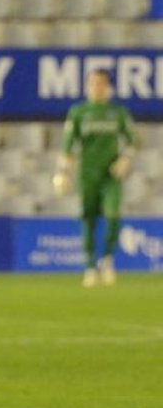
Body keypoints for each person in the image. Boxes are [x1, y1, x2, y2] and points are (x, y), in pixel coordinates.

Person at [53, 68, 136, 287]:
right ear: (88, 85)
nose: (98, 87)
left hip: (111, 175)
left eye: (102, 83)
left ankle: (107, 260)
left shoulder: (117, 112)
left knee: (112, 215)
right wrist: (62, 171)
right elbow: (68, 145)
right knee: (87, 219)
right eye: (94, 83)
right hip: (87, 174)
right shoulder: (79, 112)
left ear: (107, 86)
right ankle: (90, 267)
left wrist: (125, 159)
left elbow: (132, 140)